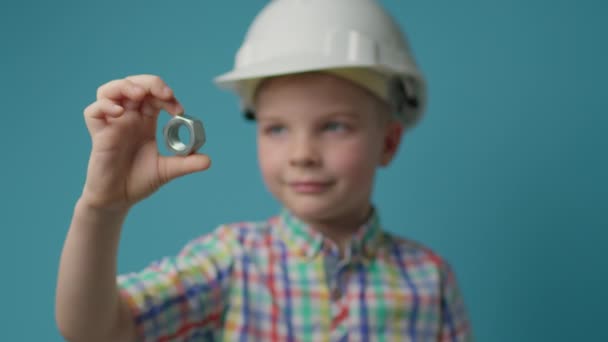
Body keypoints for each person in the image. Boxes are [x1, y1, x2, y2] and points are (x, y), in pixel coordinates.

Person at [55, 0, 473, 341]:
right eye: (276, 128)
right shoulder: (231, 260)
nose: (302, 154)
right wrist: (102, 208)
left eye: (334, 126)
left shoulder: (429, 280)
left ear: (389, 142)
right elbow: (95, 330)